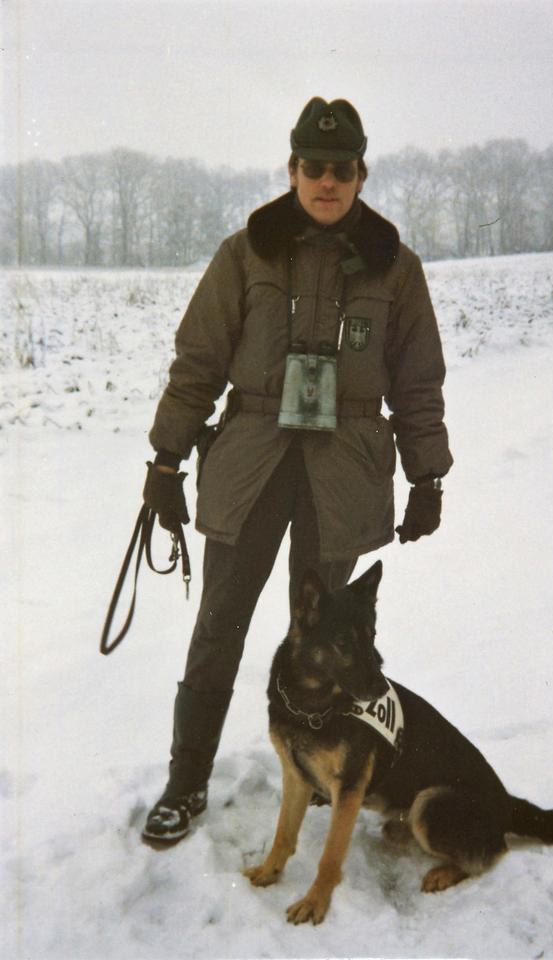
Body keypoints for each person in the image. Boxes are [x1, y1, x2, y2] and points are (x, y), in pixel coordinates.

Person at [140, 97, 453, 844]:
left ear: (359, 174)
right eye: (313, 167)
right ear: (292, 169)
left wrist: (426, 474)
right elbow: (198, 364)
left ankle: (321, 775)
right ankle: (186, 785)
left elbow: (416, 380)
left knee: (325, 641)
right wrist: (165, 458)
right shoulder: (244, 254)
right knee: (219, 626)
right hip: (251, 463)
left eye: (341, 169)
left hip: (342, 472)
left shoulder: (395, 267)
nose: (326, 181)